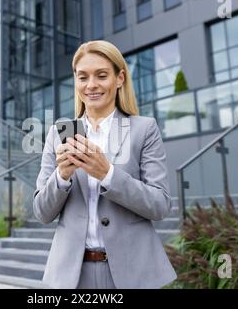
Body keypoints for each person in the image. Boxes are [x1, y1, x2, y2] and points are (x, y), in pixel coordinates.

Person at [33, 40, 177, 289]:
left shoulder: (143, 129)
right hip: (72, 276)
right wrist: (62, 175)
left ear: (119, 78)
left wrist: (108, 174)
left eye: (101, 75)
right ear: (76, 81)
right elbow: (42, 212)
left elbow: (160, 205)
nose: (91, 85)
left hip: (132, 272)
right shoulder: (59, 133)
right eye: (83, 77)